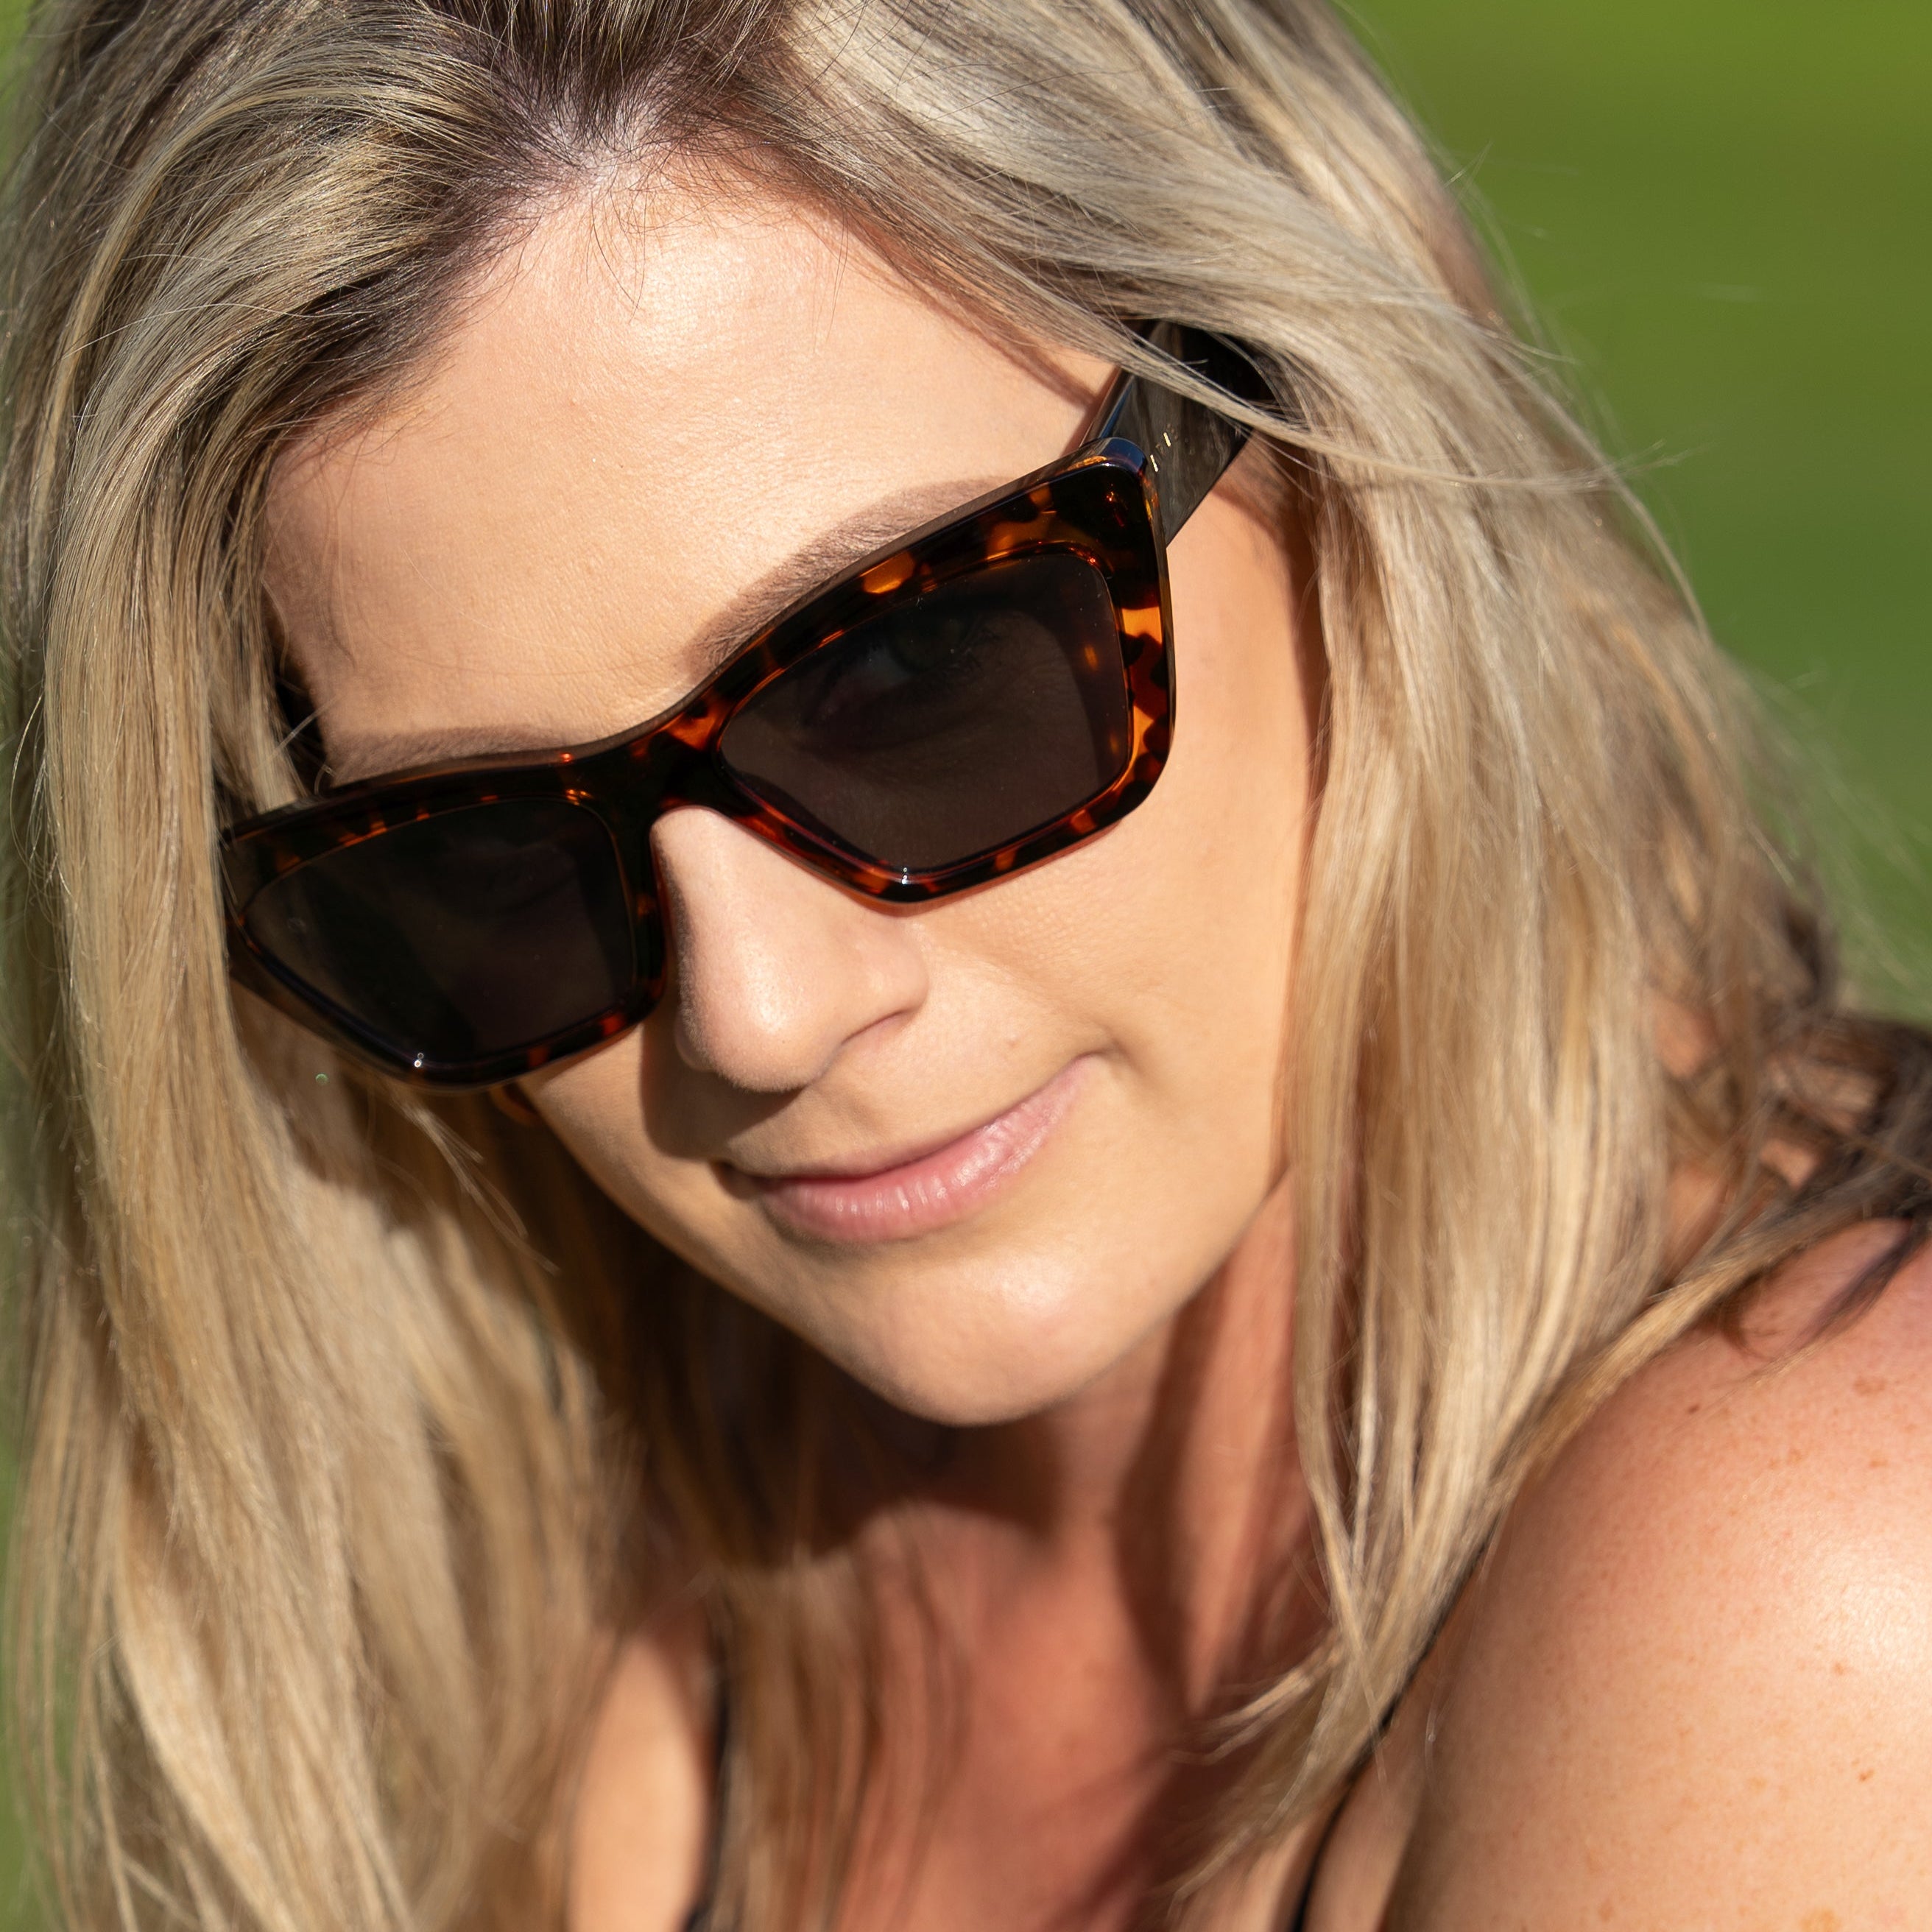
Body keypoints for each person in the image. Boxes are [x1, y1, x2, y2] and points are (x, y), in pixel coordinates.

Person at [3, 2, 1929, 1928]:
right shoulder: (564, 1522)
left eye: (913, 675)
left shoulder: (1812, 1570)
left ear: (1339, 421)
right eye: (490, 855)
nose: (758, 1012)